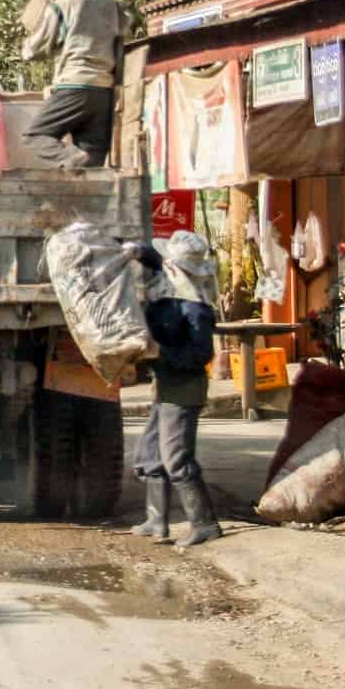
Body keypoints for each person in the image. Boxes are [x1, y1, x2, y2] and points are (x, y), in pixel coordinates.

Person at [127, 230, 223, 547]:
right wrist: (133, 250)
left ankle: (205, 523)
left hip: (183, 389)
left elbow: (200, 354)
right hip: (166, 387)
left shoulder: (195, 308)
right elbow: (154, 259)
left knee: (177, 459)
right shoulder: (173, 287)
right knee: (150, 455)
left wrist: (160, 352)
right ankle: (157, 521)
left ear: (179, 269)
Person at [21, 0, 126, 168]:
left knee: (34, 136)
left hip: (74, 86)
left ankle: (72, 158)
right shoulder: (113, 7)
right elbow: (121, 44)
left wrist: (27, 46)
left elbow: (34, 50)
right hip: (103, 91)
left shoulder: (62, 5)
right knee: (92, 161)